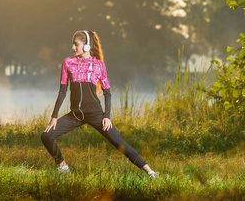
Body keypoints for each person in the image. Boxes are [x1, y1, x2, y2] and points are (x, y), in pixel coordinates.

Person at [41, 30, 158, 178]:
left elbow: (107, 93)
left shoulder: (98, 65)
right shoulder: (68, 63)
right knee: (46, 136)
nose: (73, 48)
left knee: (119, 143)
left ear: (86, 46)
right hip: (75, 115)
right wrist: (54, 116)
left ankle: (150, 172)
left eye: (76, 44)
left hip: (95, 114)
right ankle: (63, 167)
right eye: (73, 44)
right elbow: (62, 91)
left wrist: (107, 116)